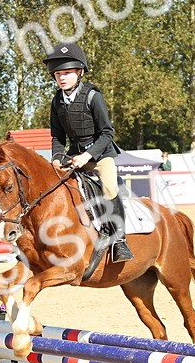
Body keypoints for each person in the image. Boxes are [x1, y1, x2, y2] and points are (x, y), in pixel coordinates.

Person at [44, 41, 133, 263]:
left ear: (79, 72)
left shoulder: (93, 96)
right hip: (73, 157)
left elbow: (107, 133)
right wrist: (56, 157)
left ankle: (120, 241)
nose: (61, 78)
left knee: (110, 188)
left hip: (100, 155)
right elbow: (57, 137)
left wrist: (88, 155)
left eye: (66, 73)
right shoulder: (57, 101)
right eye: (57, 74)